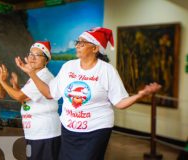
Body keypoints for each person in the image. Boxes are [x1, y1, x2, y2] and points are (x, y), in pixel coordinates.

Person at [15, 27, 162, 160]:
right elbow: (49, 93)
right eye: (77, 42)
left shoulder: (106, 70)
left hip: (96, 130)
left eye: (82, 43)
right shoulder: (68, 67)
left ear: (95, 48)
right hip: (68, 129)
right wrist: (31, 73)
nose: (77, 45)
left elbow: (120, 102)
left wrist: (140, 95)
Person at [0, 41, 61, 160]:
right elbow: (25, 100)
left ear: (46, 61)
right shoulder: (34, 78)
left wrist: (1, 81)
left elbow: (19, 97)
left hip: (45, 133)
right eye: (31, 54)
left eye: (37, 55)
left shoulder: (44, 76)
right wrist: (15, 85)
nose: (32, 57)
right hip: (35, 133)